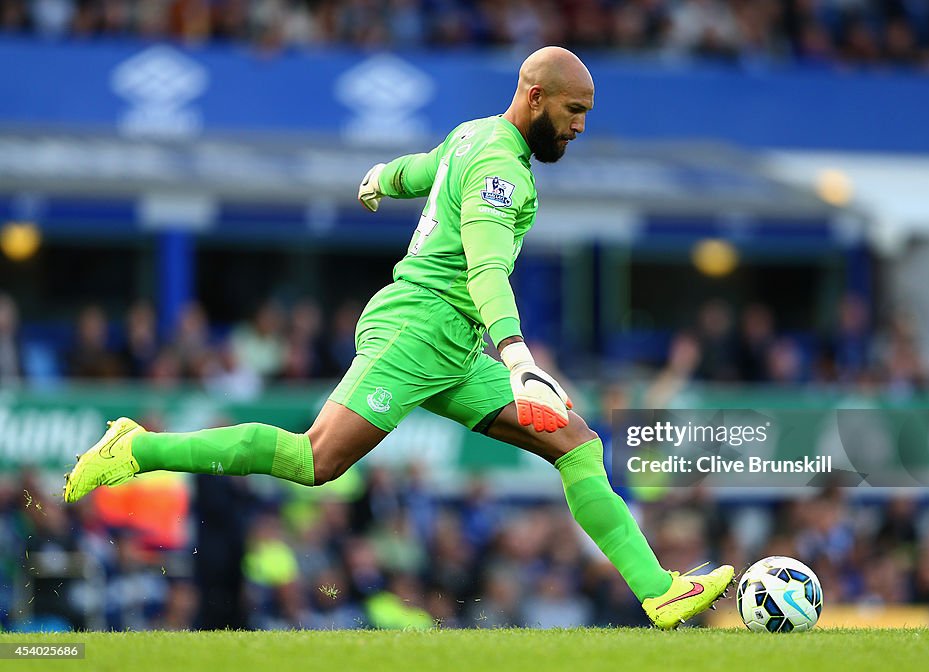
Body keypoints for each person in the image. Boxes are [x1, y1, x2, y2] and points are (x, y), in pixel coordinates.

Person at [62, 46, 732, 629]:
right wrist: (520, 356)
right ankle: (137, 448)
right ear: (535, 97)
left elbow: (426, 167)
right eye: (573, 109)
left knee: (577, 444)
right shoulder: (501, 170)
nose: (581, 125)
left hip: (453, 343)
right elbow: (486, 266)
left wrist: (381, 179)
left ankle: (658, 591)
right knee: (314, 461)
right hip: (419, 329)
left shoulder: (476, 136)